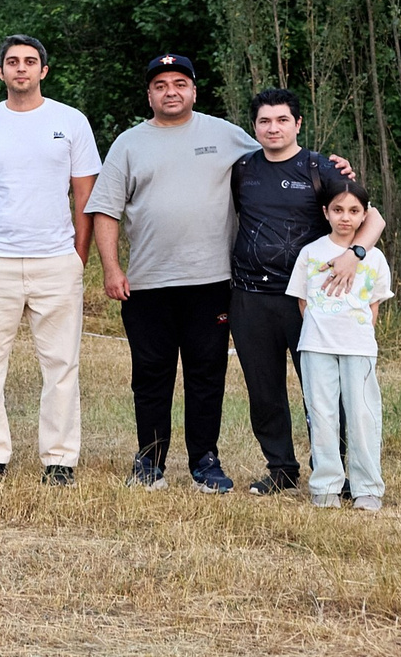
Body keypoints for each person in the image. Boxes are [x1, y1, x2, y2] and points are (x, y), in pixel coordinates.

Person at [84, 55, 256, 493]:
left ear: (194, 91)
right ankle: (150, 460)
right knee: (151, 373)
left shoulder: (225, 135)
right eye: (160, 85)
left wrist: (331, 173)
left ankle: (205, 460)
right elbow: (105, 209)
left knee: (206, 373)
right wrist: (111, 268)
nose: (171, 91)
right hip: (147, 284)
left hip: (212, 281)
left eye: (180, 83)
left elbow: (277, 162)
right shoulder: (128, 143)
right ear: (149, 95)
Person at [0, 35, 101, 485]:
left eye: (30, 62)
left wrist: (80, 255)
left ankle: (59, 459)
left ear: (44, 71)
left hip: (56, 259)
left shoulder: (70, 122)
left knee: (61, 364)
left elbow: (85, 191)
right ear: (1, 73)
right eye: (12, 62)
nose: (21, 69)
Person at [232, 87, 386, 496]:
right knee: (264, 392)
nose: (273, 128)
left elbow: (375, 219)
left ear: (298, 123)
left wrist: (355, 254)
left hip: (311, 300)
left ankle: (332, 473)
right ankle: (280, 468)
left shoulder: (321, 168)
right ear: (255, 127)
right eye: (264, 121)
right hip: (251, 295)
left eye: (282, 119)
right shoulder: (243, 168)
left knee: (323, 392)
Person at [288, 179, 389, 512]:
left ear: (364, 216)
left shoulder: (373, 258)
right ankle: (326, 486)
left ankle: (367, 488)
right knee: (322, 414)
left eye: (354, 211)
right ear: (326, 213)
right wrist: (321, 330)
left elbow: (374, 305)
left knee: (362, 415)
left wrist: (356, 334)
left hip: (358, 346)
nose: (345, 217)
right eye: (338, 210)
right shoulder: (311, 253)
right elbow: (303, 302)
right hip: (317, 345)